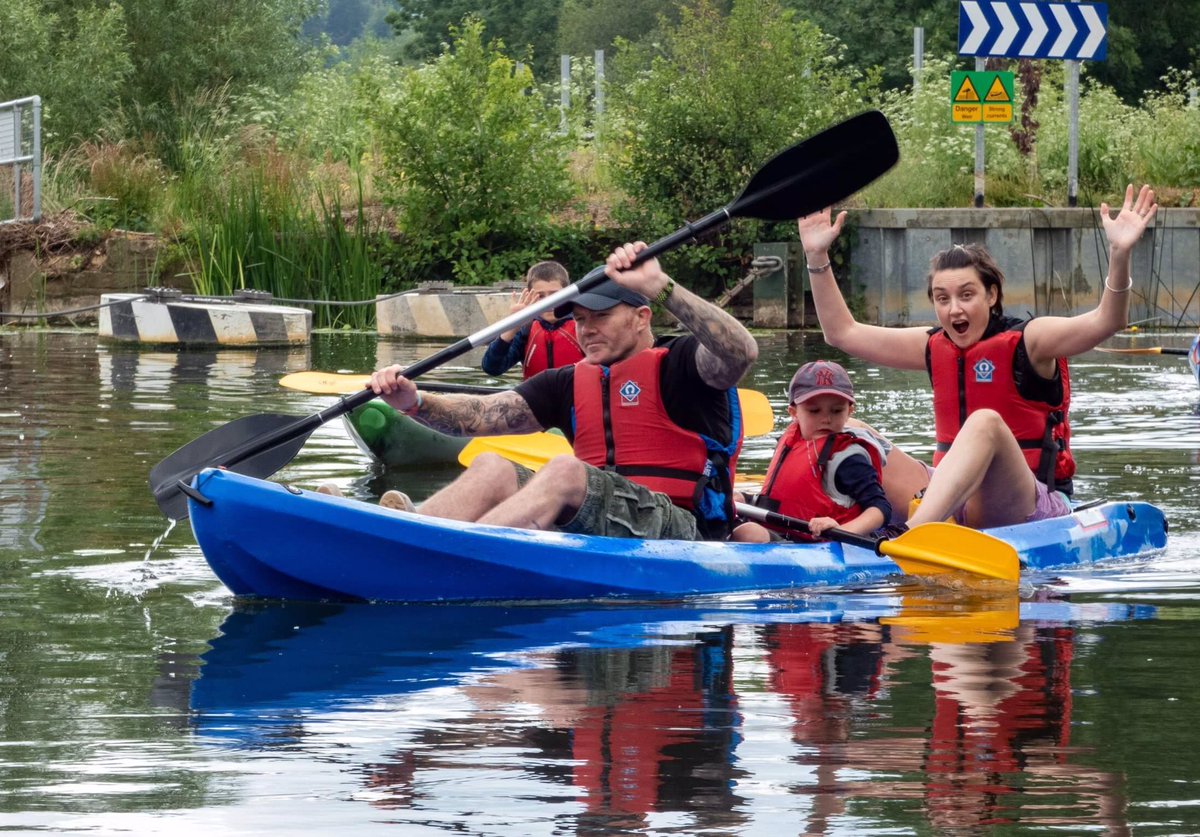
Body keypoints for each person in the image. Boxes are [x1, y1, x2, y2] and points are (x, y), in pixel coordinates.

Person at [797, 184, 1158, 530]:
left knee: (985, 421)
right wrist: (816, 256)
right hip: (951, 501)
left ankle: (910, 535)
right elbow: (841, 332)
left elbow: (1106, 321)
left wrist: (1119, 254)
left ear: (991, 294)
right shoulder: (932, 345)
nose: (954, 309)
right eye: (942, 298)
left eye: (967, 294)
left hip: (1028, 503)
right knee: (849, 430)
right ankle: (803, 515)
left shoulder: (1030, 341)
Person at [367, 241, 760, 540]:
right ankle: (406, 538)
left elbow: (741, 351)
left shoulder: (683, 364)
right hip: (596, 521)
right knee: (490, 465)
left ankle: (460, 553)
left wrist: (660, 285)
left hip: (681, 530)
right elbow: (476, 416)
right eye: (580, 318)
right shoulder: (568, 382)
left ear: (642, 317)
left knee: (566, 471)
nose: (586, 328)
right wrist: (413, 401)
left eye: (601, 316)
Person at [734, 360, 891, 543]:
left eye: (837, 410)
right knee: (731, 521)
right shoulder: (792, 444)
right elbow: (779, 502)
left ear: (850, 411)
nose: (826, 419)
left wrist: (842, 530)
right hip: (786, 536)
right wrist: (745, 498)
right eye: (814, 411)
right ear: (793, 413)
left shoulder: (848, 458)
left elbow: (880, 508)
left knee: (750, 533)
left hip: (822, 546)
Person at [480, 260, 585, 379]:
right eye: (540, 296)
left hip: (577, 396)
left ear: (568, 294)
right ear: (530, 296)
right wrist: (512, 327)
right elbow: (492, 368)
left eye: (555, 295)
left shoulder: (583, 326)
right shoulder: (526, 330)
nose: (548, 302)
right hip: (536, 396)